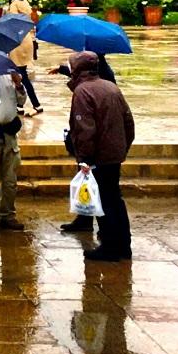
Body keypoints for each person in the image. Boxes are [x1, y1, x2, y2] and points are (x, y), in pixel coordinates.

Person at [65, 50, 135, 261]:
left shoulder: (83, 91)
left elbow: (85, 129)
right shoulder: (110, 86)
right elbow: (129, 122)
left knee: (104, 200)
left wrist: (84, 158)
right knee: (115, 198)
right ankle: (123, 245)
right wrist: (123, 148)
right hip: (115, 153)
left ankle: (111, 247)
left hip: (98, 157)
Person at [0, 69, 24, 232]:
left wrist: (18, 84)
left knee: (10, 180)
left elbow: (21, 101)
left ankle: (8, 215)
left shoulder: (10, 75)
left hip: (9, 135)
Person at [3, 0, 46, 115]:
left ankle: (35, 104)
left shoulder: (14, 4)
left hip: (18, 41)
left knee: (20, 75)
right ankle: (21, 105)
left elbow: (13, 22)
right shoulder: (25, 3)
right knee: (19, 73)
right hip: (26, 39)